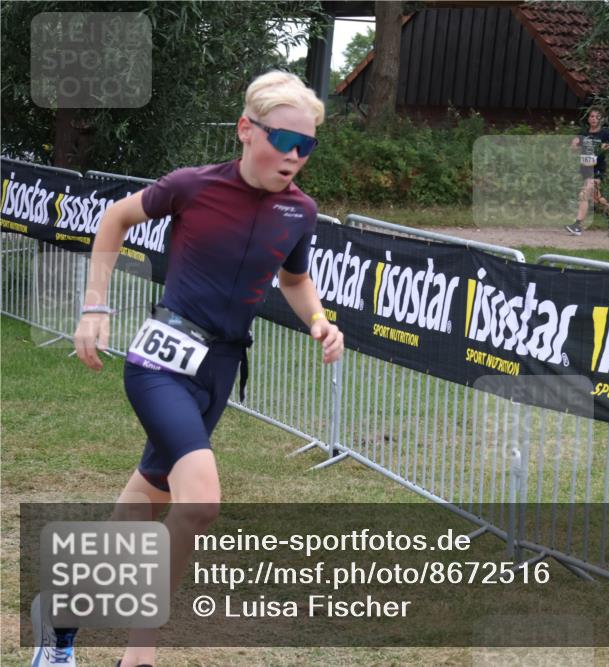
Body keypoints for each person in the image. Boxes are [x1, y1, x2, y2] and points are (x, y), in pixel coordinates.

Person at [33, 71, 344, 667]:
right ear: (246, 130)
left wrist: (318, 321)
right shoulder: (192, 186)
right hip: (160, 360)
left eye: (307, 147)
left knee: (141, 507)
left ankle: (61, 616)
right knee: (198, 502)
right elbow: (113, 221)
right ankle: (139, 655)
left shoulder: (299, 212)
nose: (295, 158)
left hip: (220, 372)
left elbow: (295, 279)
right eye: (285, 141)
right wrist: (94, 307)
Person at [565, 106, 609, 236]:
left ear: (601, 120)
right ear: (588, 118)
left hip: (597, 170)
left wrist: (606, 145)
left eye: (597, 117)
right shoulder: (584, 133)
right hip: (585, 169)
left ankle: (577, 225)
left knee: (584, 194)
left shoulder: (605, 134)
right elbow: (574, 147)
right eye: (591, 116)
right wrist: (574, 144)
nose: (594, 119)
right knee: (596, 197)